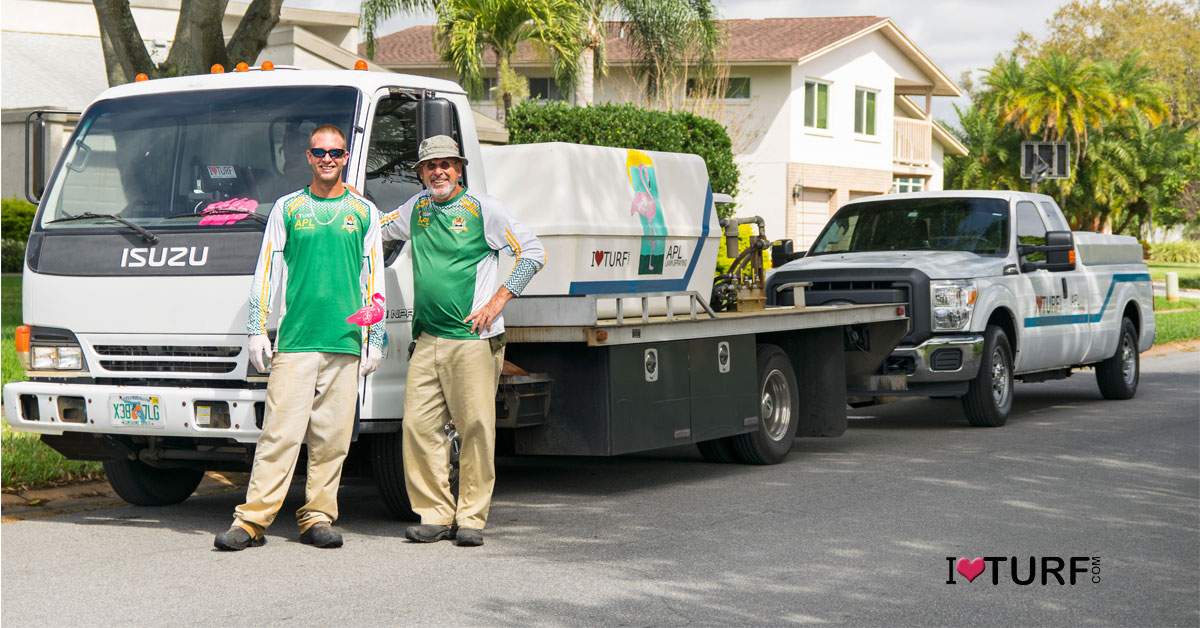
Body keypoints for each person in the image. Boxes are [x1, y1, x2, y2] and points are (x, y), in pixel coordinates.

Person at [213, 124, 384, 551]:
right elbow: (266, 270)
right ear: (308, 157)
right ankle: (251, 521)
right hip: (296, 341)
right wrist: (257, 328)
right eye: (319, 152)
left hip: (344, 341)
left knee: (332, 439)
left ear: (345, 158)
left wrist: (374, 337)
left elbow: (373, 279)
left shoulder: (364, 211)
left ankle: (317, 518)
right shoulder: (288, 208)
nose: (327, 159)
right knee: (280, 435)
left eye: (335, 152)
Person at [381, 135, 543, 547]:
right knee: (418, 428)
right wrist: (349, 205)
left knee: (475, 429)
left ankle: (471, 517)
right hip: (427, 338)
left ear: (459, 169)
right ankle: (435, 514)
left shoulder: (483, 209)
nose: (438, 172)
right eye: (430, 166)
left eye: (446, 164)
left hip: (472, 339)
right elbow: (374, 229)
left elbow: (533, 253)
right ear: (421, 173)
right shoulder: (415, 208)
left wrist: (498, 301)